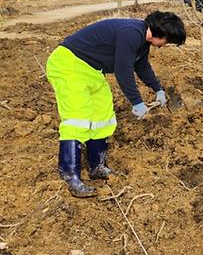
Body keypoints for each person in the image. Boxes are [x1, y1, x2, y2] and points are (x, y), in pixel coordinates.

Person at [46, 11, 186, 197]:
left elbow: (141, 66)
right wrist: (136, 102)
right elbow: (123, 70)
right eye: (167, 41)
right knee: (77, 119)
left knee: (103, 116)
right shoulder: (131, 33)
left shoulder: (143, 41)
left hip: (91, 70)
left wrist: (157, 88)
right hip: (69, 65)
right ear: (161, 34)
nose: (165, 46)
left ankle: (97, 166)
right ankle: (70, 174)